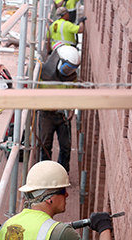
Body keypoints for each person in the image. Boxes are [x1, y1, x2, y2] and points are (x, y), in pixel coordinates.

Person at [37, 45, 81, 173]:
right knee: (45, 145)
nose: (68, 72)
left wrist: (71, 109)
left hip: (62, 116)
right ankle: (45, 173)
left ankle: (62, 172)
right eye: (67, 68)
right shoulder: (42, 73)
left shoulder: (71, 77)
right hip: (46, 115)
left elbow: (73, 93)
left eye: (72, 69)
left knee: (66, 146)